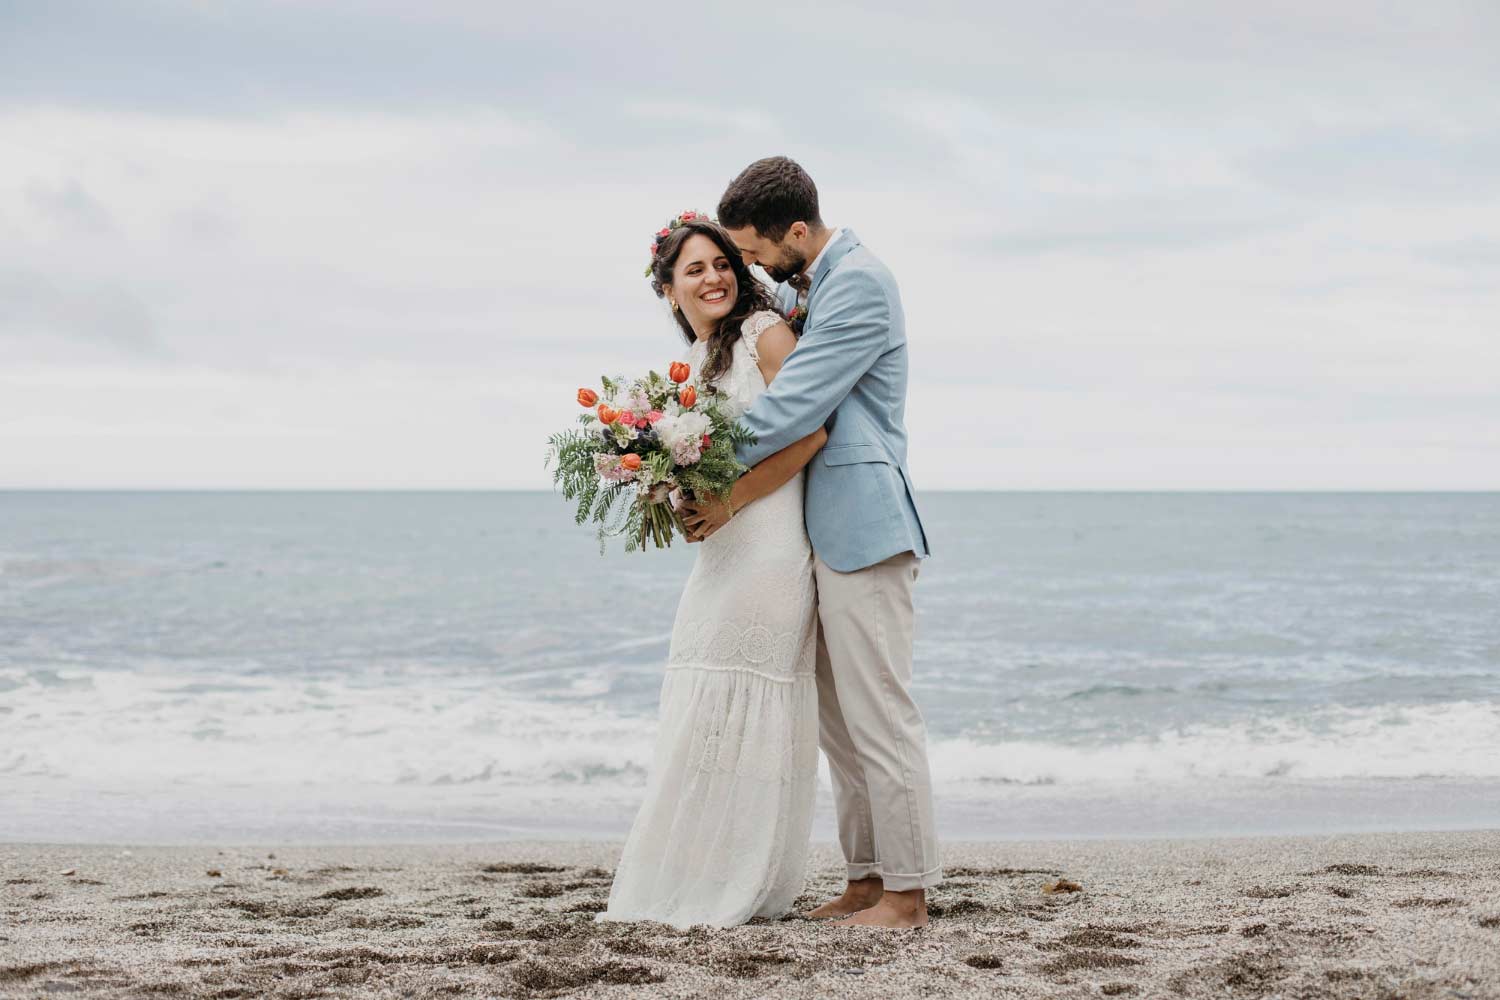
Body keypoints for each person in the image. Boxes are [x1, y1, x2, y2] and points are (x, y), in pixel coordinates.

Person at [682, 156, 939, 929]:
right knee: (840, 725)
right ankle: (866, 879)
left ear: (796, 231)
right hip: (816, 532)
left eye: (754, 251)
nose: (753, 266)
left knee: (879, 716)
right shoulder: (812, 284)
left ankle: (907, 893)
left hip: (864, 524)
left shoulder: (859, 283)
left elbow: (795, 403)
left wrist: (695, 458)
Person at [597, 213, 827, 928]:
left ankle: (742, 881)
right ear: (669, 290)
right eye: (694, 269)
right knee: (701, 705)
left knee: (749, 705)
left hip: (770, 546)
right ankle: (695, 873)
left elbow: (813, 431)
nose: (713, 277)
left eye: (722, 262)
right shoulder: (692, 367)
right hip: (722, 553)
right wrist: (661, 485)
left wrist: (733, 499)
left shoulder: (766, 334)